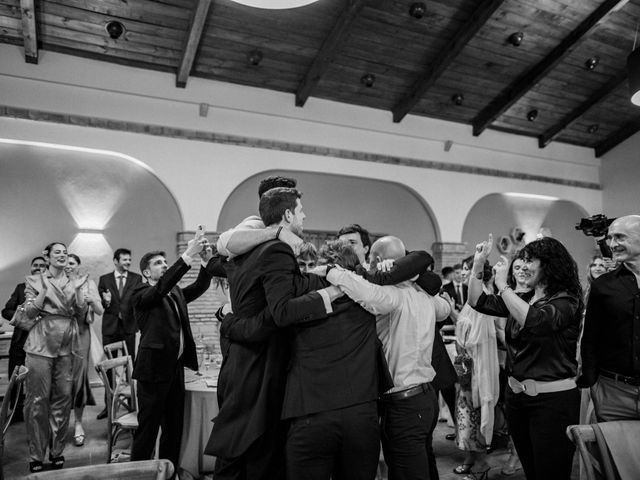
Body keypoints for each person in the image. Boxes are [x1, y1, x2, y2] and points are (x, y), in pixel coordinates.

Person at [208, 188, 340, 480]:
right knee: (258, 456)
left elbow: (278, 290)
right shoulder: (276, 249)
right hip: (261, 368)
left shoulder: (245, 252)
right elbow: (279, 310)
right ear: (288, 214)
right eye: (301, 210)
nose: (304, 216)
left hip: (240, 364)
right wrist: (326, 295)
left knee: (235, 455)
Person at [327, 235, 451, 480]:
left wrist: (333, 272)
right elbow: (444, 310)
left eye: (372, 261)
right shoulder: (423, 293)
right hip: (426, 399)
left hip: (404, 404)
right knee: (424, 466)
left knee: (408, 474)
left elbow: (366, 293)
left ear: (380, 261)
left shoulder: (392, 295)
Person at [469, 235, 582, 480]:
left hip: (552, 400)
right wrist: (479, 264)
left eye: (530, 261)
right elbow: (477, 301)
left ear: (549, 265)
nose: (523, 267)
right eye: (521, 261)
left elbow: (535, 321)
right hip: (518, 399)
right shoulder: (523, 298)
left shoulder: (566, 301)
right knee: (532, 469)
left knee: (550, 472)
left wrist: (504, 286)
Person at [129, 230, 214, 471]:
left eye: (166, 262)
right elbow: (160, 289)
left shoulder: (174, 291)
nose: (164, 266)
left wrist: (205, 262)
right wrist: (187, 254)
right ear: (146, 272)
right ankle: (137, 475)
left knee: (174, 427)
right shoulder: (141, 293)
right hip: (153, 372)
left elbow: (198, 287)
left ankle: (168, 472)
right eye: (158, 264)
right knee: (148, 430)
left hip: (175, 370)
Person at [21, 242, 89, 472]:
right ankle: (36, 455)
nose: (62, 256)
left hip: (68, 344)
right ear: (47, 256)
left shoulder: (74, 281)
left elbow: (81, 313)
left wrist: (79, 290)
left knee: (63, 399)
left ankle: (57, 450)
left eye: (65, 253)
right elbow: (29, 312)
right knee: (37, 402)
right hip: (40, 343)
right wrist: (41, 293)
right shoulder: (34, 280)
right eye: (57, 252)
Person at [579, 215, 640, 421]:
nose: (612, 244)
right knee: (615, 453)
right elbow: (591, 338)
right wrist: (592, 384)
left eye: (620, 238)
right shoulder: (603, 285)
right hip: (614, 393)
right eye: (610, 238)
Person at [446, 259, 500, 479]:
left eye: (468, 270)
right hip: (467, 364)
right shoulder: (472, 299)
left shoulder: (484, 299)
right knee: (465, 413)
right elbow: (465, 326)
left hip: (477, 368)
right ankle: (470, 457)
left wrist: (459, 337)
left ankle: (481, 464)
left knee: (473, 412)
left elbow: (476, 336)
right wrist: (451, 311)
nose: (464, 273)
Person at [96, 248, 142, 419]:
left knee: (130, 365)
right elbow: (101, 305)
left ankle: (133, 404)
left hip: (129, 327)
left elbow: (138, 301)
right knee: (109, 368)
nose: (128, 262)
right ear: (115, 261)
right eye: (124, 259)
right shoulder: (104, 279)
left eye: (129, 259)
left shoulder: (136, 278)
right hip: (110, 327)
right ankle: (109, 406)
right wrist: (105, 301)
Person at [1, 256, 47, 423]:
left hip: (42, 343)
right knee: (15, 380)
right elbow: (5, 310)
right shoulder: (21, 288)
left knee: (39, 382)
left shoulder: (49, 289)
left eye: (42, 265)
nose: (38, 268)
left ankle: (37, 414)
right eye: (35, 265)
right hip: (20, 342)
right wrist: (22, 318)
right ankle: (15, 413)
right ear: (31, 267)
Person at [65, 253, 103, 447]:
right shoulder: (57, 282)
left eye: (72, 263)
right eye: (66, 262)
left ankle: (78, 423)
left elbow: (100, 309)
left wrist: (89, 298)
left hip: (81, 334)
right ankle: (60, 424)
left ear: (78, 266)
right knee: (60, 381)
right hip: (59, 336)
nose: (68, 266)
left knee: (79, 379)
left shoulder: (89, 284)